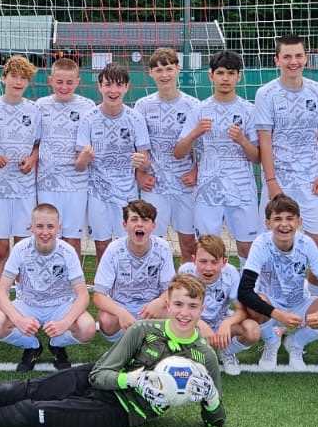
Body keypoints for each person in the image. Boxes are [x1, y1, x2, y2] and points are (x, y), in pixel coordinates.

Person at [0, 275, 225, 427]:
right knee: (7, 391)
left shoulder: (204, 357)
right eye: (179, 304)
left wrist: (210, 398)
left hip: (117, 412)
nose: (184, 313)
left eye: (192, 306)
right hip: (93, 381)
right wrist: (134, 378)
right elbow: (100, 375)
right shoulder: (144, 331)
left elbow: (215, 421)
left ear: (202, 309)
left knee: (25, 413)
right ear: (168, 303)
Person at [230, 193, 318, 370]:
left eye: (290, 218)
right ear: (268, 223)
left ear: (299, 222)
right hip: (270, 304)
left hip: (299, 303)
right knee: (253, 305)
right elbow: (244, 291)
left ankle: (296, 343)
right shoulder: (261, 244)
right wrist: (279, 315)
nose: (284, 224)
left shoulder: (307, 244)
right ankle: (271, 341)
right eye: (277, 219)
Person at [0, 201, 96, 371]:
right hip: (28, 304)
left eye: (50, 227)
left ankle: (56, 344)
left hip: (61, 305)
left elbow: (83, 295)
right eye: (39, 226)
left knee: (87, 328)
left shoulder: (67, 252)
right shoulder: (20, 249)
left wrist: (65, 323)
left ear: (59, 228)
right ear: (30, 227)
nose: (45, 232)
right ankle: (32, 346)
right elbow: (1, 292)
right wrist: (19, 321)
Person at [253, 34, 318, 258]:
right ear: (277, 60)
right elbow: (265, 141)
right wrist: (271, 182)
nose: (293, 62)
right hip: (279, 181)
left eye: (298, 56)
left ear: (306, 58)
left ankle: (314, 284)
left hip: (311, 182)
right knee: (271, 247)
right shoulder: (265, 94)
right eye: (287, 57)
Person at [177, 50, 261, 257]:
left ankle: (245, 280)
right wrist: (195, 133)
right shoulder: (199, 110)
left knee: (247, 249)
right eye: (220, 73)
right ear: (211, 75)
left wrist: (242, 140)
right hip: (208, 191)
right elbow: (178, 152)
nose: (225, 78)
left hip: (242, 191)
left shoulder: (249, 110)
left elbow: (258, 157)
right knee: (207, 249)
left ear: (239, 76)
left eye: (231, 73)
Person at [75, 63, 152, 262]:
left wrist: (142, 162)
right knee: (102, 247)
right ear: (99, 86)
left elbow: (146, 163)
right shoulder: (89, 118)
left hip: (126, 195)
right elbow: (79, 165)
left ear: (127, 87)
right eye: (108, 84)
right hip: (97, 194)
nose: (113, 90)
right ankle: (103, 282)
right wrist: (84, 159)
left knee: (128, 245)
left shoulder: (135, 118)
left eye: (119, 85)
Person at [134, 46, 201, 264]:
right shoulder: (142, 106)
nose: (164, 75)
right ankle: (155, 283)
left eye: (169, 69)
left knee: (189, 244)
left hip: (185, 184)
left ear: (178, 69)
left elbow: (204, 146)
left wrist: (196, 170)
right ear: (151, 73)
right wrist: (139, 174)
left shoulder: (193, 105)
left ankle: (186, 282)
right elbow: (137, 147)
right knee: (152, 241)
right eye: (159, 70)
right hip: (155, 184)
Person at [0, 55, 43, 274]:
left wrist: (33, 158)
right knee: (0, 250)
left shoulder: (35, 110)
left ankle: (22, 293)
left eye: (23, 78)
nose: (18, 82)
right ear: (3, 78)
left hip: (24, 189)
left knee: (23, 248)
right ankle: (1, 293)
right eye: (14, 76)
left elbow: (39, 144)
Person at [35, 57, 98, 250]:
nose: (64, 87)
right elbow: (35, 143)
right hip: (47, 183)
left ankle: (73, 272)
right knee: (47, 237)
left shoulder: (88, 106)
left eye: (69, 82)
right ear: (51, 81)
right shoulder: (40, 105)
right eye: (59, 82)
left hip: (76, 183)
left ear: (78, 82)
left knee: (72, 240)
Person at [91, 199, 175, 339]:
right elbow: (98, 296)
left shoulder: (163, 247)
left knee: (172, 312)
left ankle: (150, 338)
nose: (139, 224)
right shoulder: (114, 250)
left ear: (153, 226)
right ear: (125, 225)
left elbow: (171, 289)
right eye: (134, 219)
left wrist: (160, 301)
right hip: (121, 305)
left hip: (150, 307)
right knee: (106, 320)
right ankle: (121, 340)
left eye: (145, 220)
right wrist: (120, 312)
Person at [179, 233, 258, 376]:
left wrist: (227, 323)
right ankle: (194, 353)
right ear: (194, 260)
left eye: (214, 262)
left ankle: (226, 351)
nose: (208, 268)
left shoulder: (231, 273)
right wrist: (200, 324)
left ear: (224, 262)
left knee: (252, 330)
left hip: (220, 321)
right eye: (203, 261)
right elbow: (177, 309)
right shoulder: (185, 272)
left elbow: (241, 310)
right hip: (193, 324)